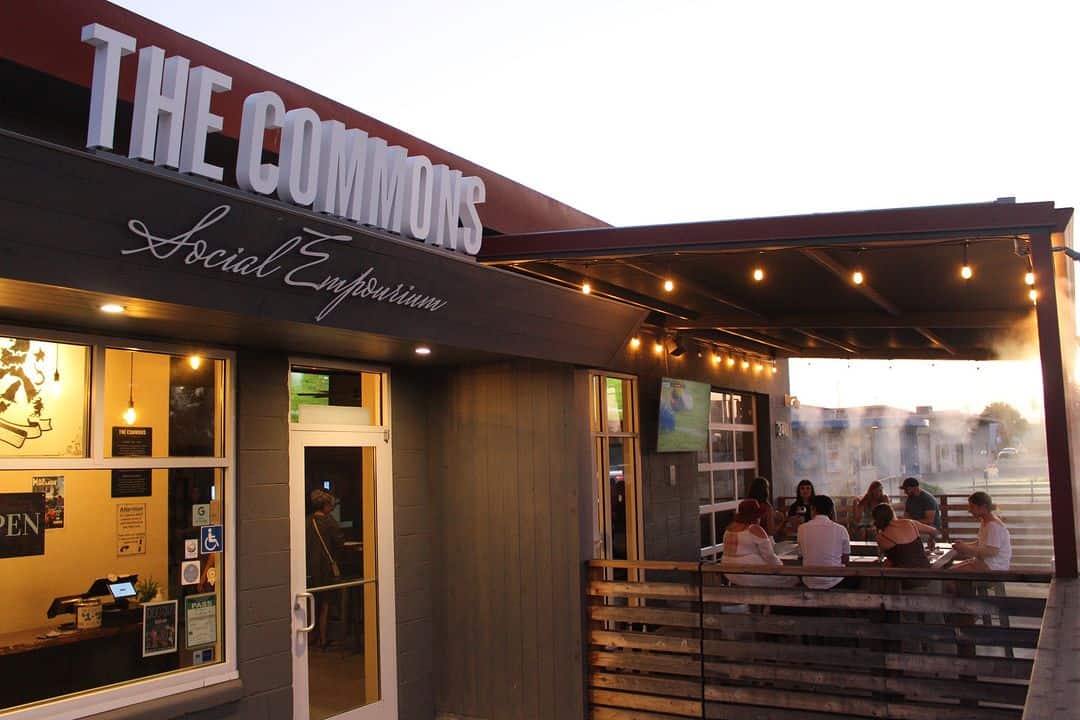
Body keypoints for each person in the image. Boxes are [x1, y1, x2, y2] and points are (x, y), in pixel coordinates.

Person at [720, 499, 799, 587]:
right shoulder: (754, 529)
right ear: (755, 516)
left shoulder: (729, 529)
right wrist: (781, 568)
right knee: (792, 579)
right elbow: (769, 556)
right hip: (750, 571)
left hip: (729, 571)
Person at [306, 488, 344, 648]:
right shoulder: (329, 522)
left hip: (309, 568)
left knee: (310, 602)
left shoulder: (307, 521)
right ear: (325, 506)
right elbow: (340, 541)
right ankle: (323, 637)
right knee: (325, 603)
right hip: (325, 568)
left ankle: (309, 637)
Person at [797, 495, 851, 589]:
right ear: (831, 511)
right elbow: (845, 559)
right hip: (834, 581)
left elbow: (802, 556)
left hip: (809, 580)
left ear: (812, 508)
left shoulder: (802, 528)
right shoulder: (841, 529)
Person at [953, 491, 1012, 571]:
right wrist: (964, 545)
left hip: (995, 567)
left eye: (972, 507)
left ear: (983, 507)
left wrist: (966, 548)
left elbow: (992, 551)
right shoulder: (985, 522)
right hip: (985, 562)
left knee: (950, 575)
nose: (969, 510)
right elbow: (981, 543)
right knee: (950, 570)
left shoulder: (993, 526)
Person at [871, 503, 937, 568]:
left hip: (903, 575)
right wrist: (931, 540)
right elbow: (933, 531)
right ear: (892, 513)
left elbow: (888, 560)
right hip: (925, 573)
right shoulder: (910, 522)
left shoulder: (881, 537)